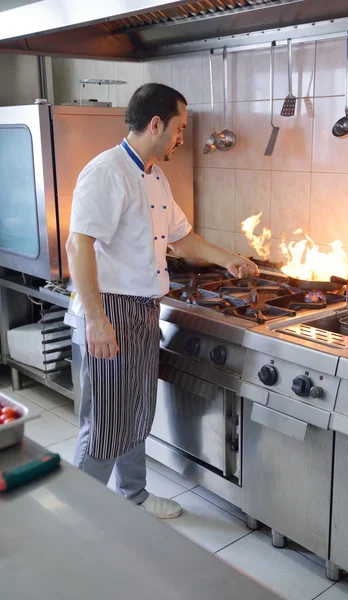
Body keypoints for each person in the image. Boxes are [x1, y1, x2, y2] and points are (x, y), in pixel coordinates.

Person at [66, 83, 258, 519]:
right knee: (104, 422)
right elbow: (78, 246)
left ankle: (132, 494)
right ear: (156, 124)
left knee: (136, 409)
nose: (181, 138)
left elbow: (182, 237)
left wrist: (229, 259)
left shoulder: (154, 175)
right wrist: (96, 320)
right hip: (110, 310)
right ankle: (78, 517)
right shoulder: (107, 171)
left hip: (143, 309)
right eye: (179, 128)